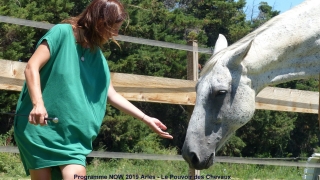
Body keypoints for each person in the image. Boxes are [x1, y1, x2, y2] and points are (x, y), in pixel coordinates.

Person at [13, 0, 173, 180]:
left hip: (73, 138)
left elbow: (111, 94)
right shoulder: (61, 33)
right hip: (40, 130)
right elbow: (31, 67)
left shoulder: (96, 55)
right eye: (113, 28)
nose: (116, 34)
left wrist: (146, 118)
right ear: (99, 23)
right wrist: (38, 104)